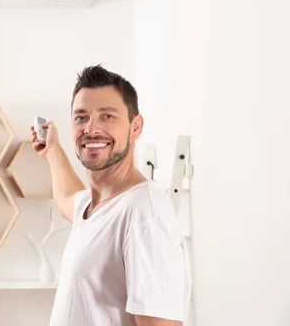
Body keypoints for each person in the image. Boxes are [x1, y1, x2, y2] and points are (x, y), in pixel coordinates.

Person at [31, 65, 191, 326]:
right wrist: (52, 150)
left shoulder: (144, 213)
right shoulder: (92, 206)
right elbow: (67, 198)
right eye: (81, 117)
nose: (91, 129)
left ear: (135, 126)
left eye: (107, 116)